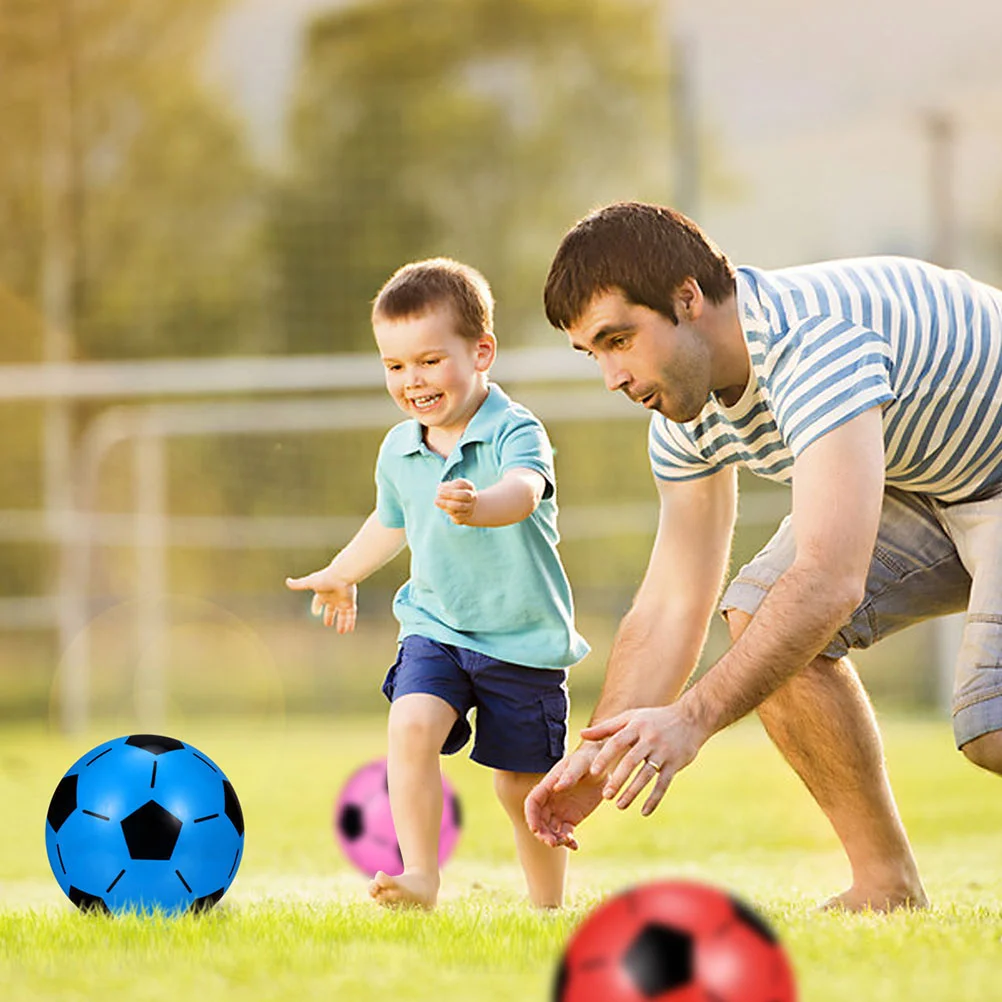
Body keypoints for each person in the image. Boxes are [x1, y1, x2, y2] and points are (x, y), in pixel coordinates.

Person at [524, 200, 1002, 912]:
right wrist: (603, 747)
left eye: (618, 339)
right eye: (593, 353)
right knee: (761, 615)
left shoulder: (814, 346)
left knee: (991, 728)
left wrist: (692, 718)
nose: (612, 377)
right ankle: (885, 889)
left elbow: (830, 580)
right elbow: (671, 602)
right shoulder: (686, 409)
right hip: (938, 482)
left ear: (688, 297)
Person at [286, 258, 589, 910]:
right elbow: (390, 521)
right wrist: (342, 572)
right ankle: (421, 873)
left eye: (428, 361)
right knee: (411, 725)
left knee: (521, 786)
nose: (412, 381)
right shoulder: (399, 448)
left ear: (481, 352)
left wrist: (480, 504)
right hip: (436, 626)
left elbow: (524, 491)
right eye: (395, 366)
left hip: (522, 640)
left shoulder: (516, 429)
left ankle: (545, 904)